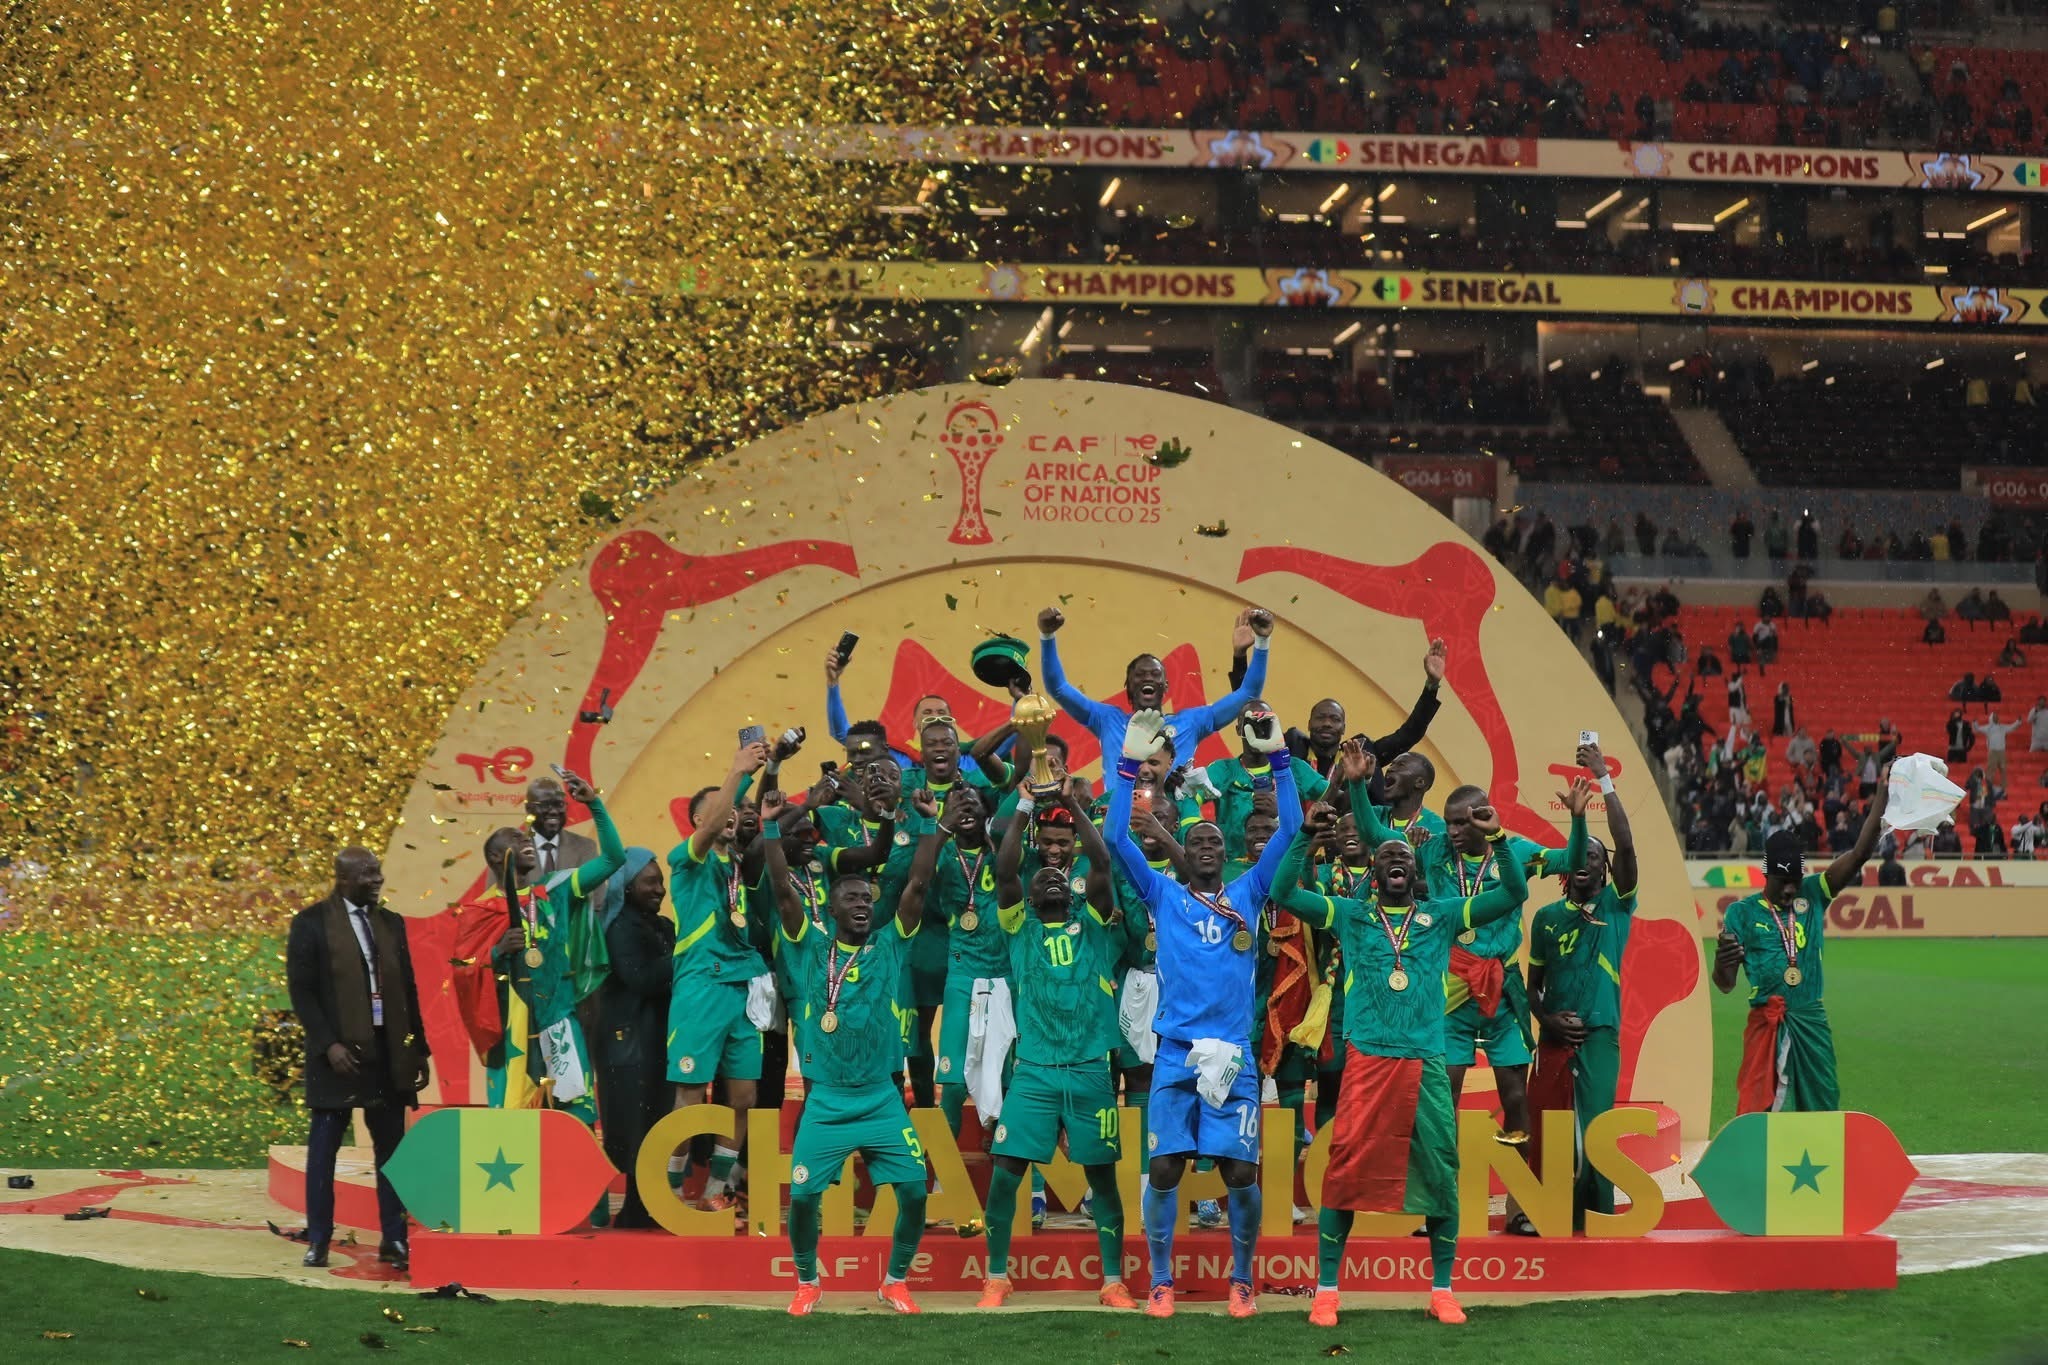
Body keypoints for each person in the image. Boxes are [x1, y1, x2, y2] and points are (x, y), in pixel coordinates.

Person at [1270, 758, 1542, 1329]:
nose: (1396, 860)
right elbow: (1282, 891)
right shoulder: (1350, 916)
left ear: (1417, 871)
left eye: (1405, 857)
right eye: (1385, 857)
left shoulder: (1442, 916)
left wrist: (1497, 839)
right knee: (1344, 1171)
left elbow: (1515, 891)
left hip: (1424, 1063)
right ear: (1374, 871)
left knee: (1441, 1172)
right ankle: (1326, 1290)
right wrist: (1302, 838)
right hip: (1368, 1060)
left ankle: (1442, 1290)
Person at [1104, 706, 1302, 1319]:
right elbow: (1115, 838)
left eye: (1215, 841)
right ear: (1183, 856)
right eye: (1197, 842)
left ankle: (1242, 1280)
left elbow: (1292, 830)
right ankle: (1161, 1281)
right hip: (1175, 1053)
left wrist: (1280, 761)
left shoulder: (1249, 892)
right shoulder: (1162, 893)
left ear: (1227, 852)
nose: (1208, 847)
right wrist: (1128, 767)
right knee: (1164, 1169)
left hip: (1233, 1053)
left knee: (1240, 1174)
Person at [1350, 750, 1584, 1151]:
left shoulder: (1516, 851)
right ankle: (1448, 1182)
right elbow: (1376, 836)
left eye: (1463, 822)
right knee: (1445, 1094)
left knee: (1515, 1095)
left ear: (1485, 818)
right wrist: (1357, 784)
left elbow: (1572, 860)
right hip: (1452, 986)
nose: (1453, 830)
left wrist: (1578, 819)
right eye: (1449, 821)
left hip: (1502, 986)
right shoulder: (1434, 847)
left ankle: (1522, 1187)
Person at [762, 785, 937, 1316]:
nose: (862, 905)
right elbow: (782, 890)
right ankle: (807, 1282)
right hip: (827, 1101)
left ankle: (895, 1281)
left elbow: (918, 884)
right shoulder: (810, 946)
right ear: (832, 908)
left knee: (914, 1193)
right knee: (803, 1198)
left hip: (881, 1097)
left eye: (867, 899)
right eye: (852, 899)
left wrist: (928, 824)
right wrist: (769, 827)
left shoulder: (891, 943)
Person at [978, 781, 1135, 1310]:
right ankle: (996, 1277)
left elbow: (1101, 862)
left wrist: (1070, 803)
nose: (1050, 877)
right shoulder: (1017, 926)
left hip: (1090, 1070)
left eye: (1059, 877)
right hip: (1035, 1072)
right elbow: (1005, 870)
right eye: (1040, 876)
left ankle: (1112, 1281)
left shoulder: (1093, 925)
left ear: (1073, 891)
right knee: (1006, 1176)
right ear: (1028, 895)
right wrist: (1025, 804)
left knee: (1102, 1180)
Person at [1713, 767, 1891, 1113]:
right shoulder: (1741, 913)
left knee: (1823, 1104)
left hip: (1811, 1022)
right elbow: (1724, 984)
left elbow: (1859, 854)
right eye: (1783, 882)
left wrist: (1882, 791)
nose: (1791, 889)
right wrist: (1723, 961)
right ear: (1766, 874)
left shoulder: (1813, 893)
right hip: (1767, 1022)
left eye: (1796, 880)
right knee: (1762, 1111)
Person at [286, 848, 430, 1271]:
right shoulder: (311, 923)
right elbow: (302, 992)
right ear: (343, 879)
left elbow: (408, 990)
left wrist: (417, 1047)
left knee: (391, 1151)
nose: (377, 879)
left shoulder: (390, 923)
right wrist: (328, 1044)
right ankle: (318, 1239)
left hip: (388, 1055)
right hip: (337, 1058)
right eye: (368, 874)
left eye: (378, 872)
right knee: (324, 1151)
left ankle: (394, 1238)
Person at [1527, 740, 1639, 1227]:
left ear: (1605, 870)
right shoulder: (1546, 917)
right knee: (1549, 1127)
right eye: (1581, 853)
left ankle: (1598, 1216)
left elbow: (1626, 846)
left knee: (1595, 1129)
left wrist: (1603, 780)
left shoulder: (1616, 906)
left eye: (1595, 856)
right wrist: (1546, 1019)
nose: (1586, 860)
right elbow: (1532, 987)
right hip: (1554, 1038)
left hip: (1598, 1035)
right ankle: (1554, 1213)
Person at [487, 770, 624, 1148]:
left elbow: (614, 858)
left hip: (559, 1018)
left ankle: (583, 1186)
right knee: (516, 1125)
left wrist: (594, 804)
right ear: (497, 857)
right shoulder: (482, 908)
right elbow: (469, 973)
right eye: (517, 838)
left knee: (576, 1112)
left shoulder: (557, 888)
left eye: (525, 838)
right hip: (513, 1030)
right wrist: (497, 952)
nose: (526, 840)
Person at [666, 739, 773, 1211]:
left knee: (744, 1097)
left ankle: (716, 1189)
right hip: (701, 988)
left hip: (742, 991)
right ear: (699, 820)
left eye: (736, 810)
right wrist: (737, 770)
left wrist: (763, 775)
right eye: (722, 809)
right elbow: (713, 825)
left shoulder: (738, 866)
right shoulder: (687, 861)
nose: (732, 815)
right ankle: (670, 1191)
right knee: (691, 1095)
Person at [1038, 603, 1274, 765]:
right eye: (1140, 675)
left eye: (1155, 674)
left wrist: (1262, 642)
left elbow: (1248, 693)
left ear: (1165, 687)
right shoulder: (1107, 720)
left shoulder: (1191, 722)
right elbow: (1058, 687)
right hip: (1120, 820)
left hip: (1172, 821)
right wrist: (1047, 637)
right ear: (1128, 686)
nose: (1148, 678)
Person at [594, 845, 672, 1228]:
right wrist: (688, 953)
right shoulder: (619, 928)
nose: (659, 889)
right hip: (627, 1046)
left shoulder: (663, 926)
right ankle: (635, 1208)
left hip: (656, 1042)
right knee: (634, 1124)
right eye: (650, 882)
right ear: (626, 887)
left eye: (661, 882)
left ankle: (648, 1205)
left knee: (657, 1121)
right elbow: (640, 978)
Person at [526, 776, 599, 879]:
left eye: (559, 804)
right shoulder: (511, 850)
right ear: (529, 808)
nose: (553, 811)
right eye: (545, 805)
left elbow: (596, 889)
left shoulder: (586, 848)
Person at [1982, 710, 2021, 785]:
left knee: (2003, 768)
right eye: (1994, 717)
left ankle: (2003, 784)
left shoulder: (2002, 727)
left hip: (2001, 751)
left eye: (1997, 717)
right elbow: (1978, 729)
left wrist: (2018, 722)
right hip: (1993, 751)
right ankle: (1989, 784)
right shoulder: (1988, 728)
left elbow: (2011, 727)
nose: (1996, 718)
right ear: (1991, 719)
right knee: (1991, 767)